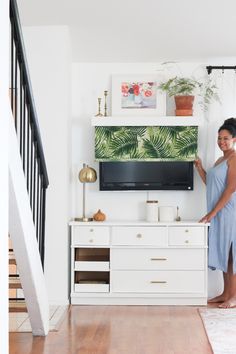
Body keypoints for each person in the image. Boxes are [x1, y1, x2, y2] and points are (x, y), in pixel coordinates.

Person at [195, 117, 236, 308]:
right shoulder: (221, 159)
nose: (222, 142)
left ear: (234, 139)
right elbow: (211, 184)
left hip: (228, 212)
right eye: (219, 138)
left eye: (226, 138)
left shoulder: (234, 159)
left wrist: (211, 213)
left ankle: (234, 297)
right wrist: (200, 168)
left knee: (231, 254)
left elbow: (230, 189)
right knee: (223, 253)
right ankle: (225, 293)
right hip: (218, 212)